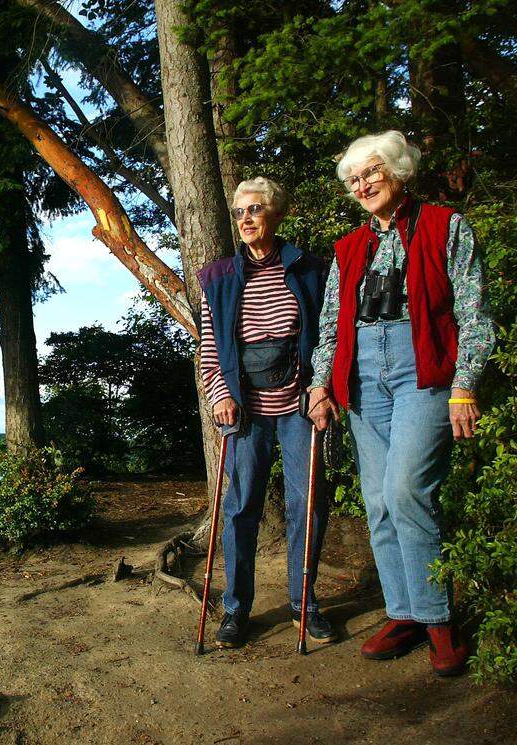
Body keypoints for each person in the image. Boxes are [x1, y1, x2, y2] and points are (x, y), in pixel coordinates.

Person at [306, 131, 496, 677]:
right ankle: (404, 612)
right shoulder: (348, 248)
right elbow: (330, 324)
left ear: (398, 170)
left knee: (407, 489)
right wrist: (321, 384)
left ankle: (437, 619)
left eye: (372, 171)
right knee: (378, 500)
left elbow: (475, 311)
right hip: (363, 373)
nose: (363, 184)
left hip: (424, 368)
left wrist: (465, 384)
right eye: (354, 178)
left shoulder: (445, 225)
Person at [198, 177, 333, 648]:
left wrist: (322, 389)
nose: (246, 219)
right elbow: (210, 349)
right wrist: (220, 395)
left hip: (299, 404)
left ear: (276, 213)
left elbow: (328, 334)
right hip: (244, 409)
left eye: (255, 209)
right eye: (240, 212)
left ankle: (303, 601)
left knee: (307, 503)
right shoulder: (218, 278)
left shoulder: (310, 270)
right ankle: (236, 608)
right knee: (240, 508)